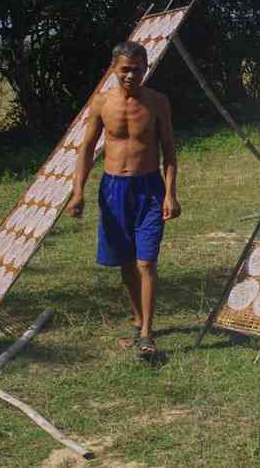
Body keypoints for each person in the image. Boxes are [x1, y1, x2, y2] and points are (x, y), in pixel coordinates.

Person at [67, 41, 180, 357]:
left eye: (138, 69)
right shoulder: (101, 103)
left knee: (146, 261)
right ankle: (138, 318)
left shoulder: (158, 102)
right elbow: (87, 149)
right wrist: (78, 191)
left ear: (146, 68)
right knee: (127, 262)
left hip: (149, 189)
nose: (131, 75)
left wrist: (170, 193)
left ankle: (146, 333)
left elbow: (169, 150)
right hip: (114, 189)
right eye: (125, 69)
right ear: (114, 69)